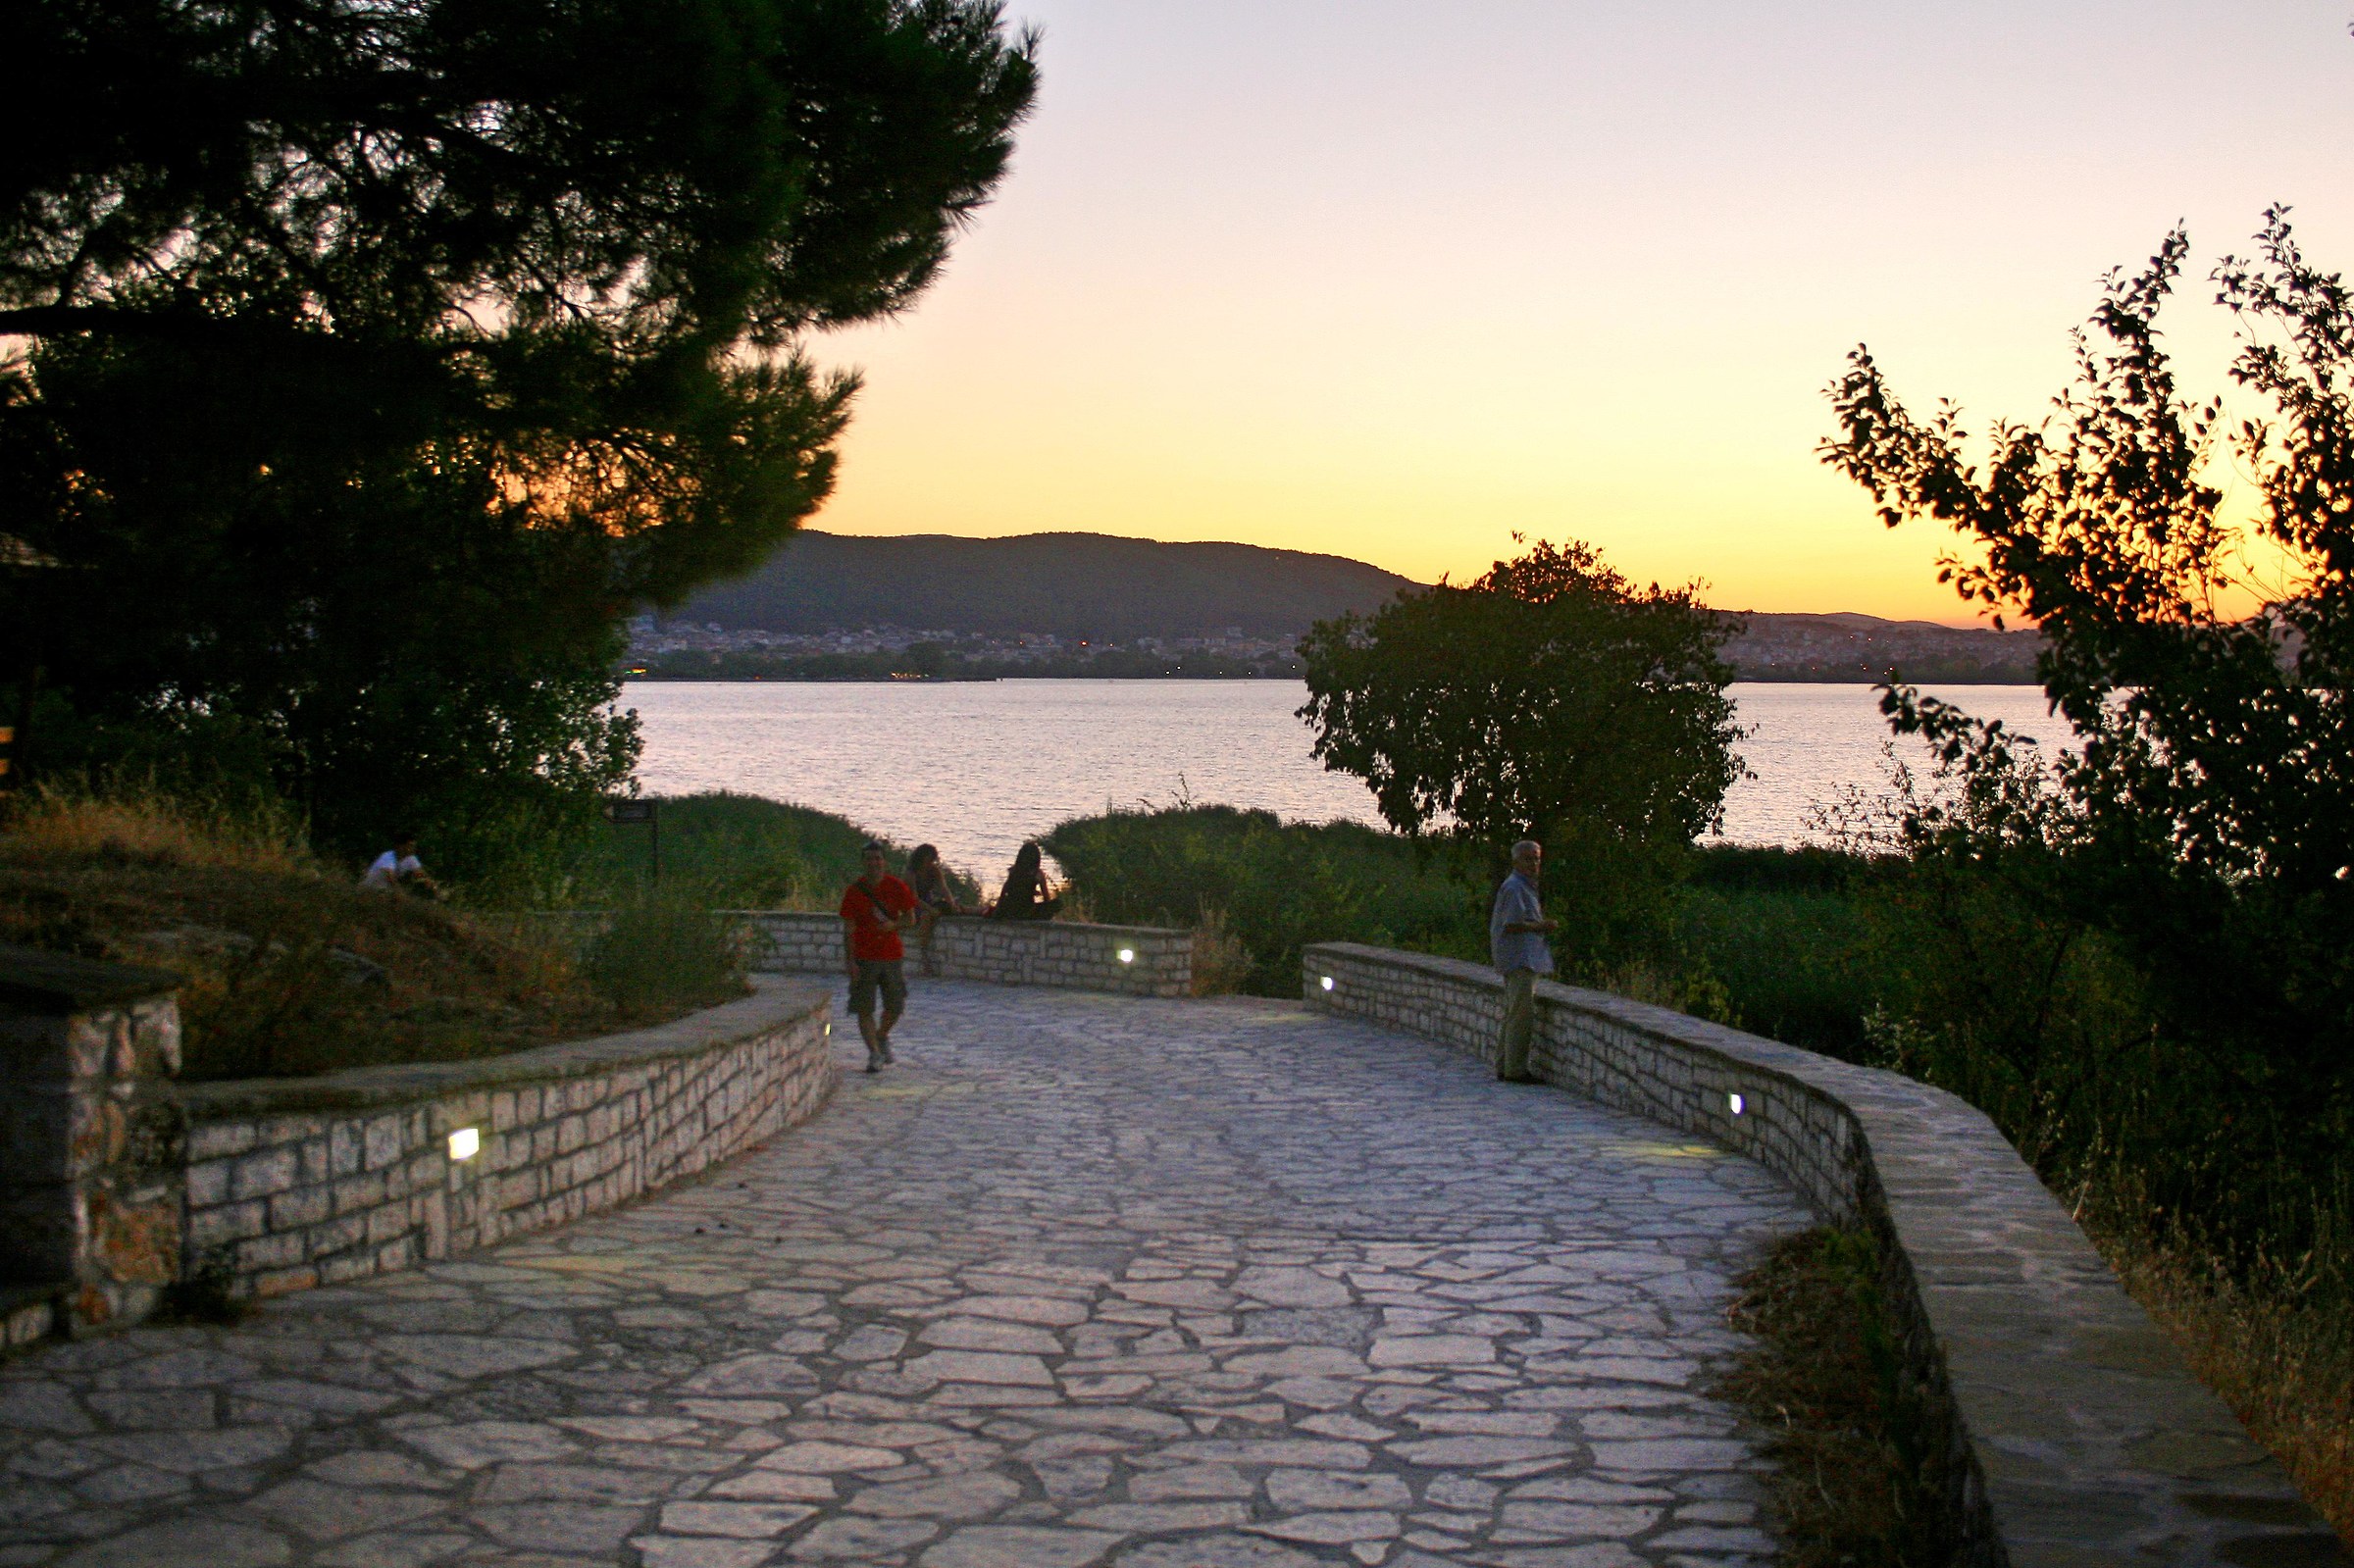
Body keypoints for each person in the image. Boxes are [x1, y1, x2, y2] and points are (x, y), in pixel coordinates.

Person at [840, 840, 918, 1073]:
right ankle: (874, 1053)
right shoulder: (854, 892)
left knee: (895, 1005)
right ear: (863, 863)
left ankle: (881, 1035)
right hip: (864, 956)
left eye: (878, 858)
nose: (874, 863)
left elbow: (911, 919)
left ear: (884, 861)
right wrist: (850, 960)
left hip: (891, 955)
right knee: (864, 1007)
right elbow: (849, 928)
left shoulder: (896, 887)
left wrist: (893, 925)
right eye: (869, 859)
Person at [1489, 838, 1556, 1083]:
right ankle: (1515, 1070)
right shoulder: (1516, 887)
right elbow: (1512, 924)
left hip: (1522, 959)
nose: (1534, 863)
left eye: (1537, 858)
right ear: (1516, 861)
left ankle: (1504, 1066)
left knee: (1513, 1013)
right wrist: (1542, 926)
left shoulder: (1524, 886)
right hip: (1520, 960)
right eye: (1528, 858)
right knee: (1520, 1016)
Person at [904, 843, 960, 974]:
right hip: (913, 905)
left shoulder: (934, 871)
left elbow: (944, 888)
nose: (930, 862)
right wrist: (930, 909)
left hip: (928, 901)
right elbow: (914, 898)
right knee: (926, 916)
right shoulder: (911, 872)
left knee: (957, 908)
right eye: (928, 859)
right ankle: (924, 956)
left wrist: (951, 903)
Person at [986, 841, 1060, 921]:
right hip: (1026, 910)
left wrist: (999, 907)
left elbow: (1005, 891)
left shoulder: (1014, 871)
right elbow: (1046, 898)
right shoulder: (1037, 874)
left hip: (1010, 909)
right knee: (1057, 904)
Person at [359, 834, 440, 899]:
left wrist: (433, 886)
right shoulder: (387, 857)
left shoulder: (411, 858)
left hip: (384, 893)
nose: (413, 848)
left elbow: (420, 874)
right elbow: (390, 878)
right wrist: (401, 894)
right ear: (400, 846)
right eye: (410, 846)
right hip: (368, 892)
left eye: (413, 846)